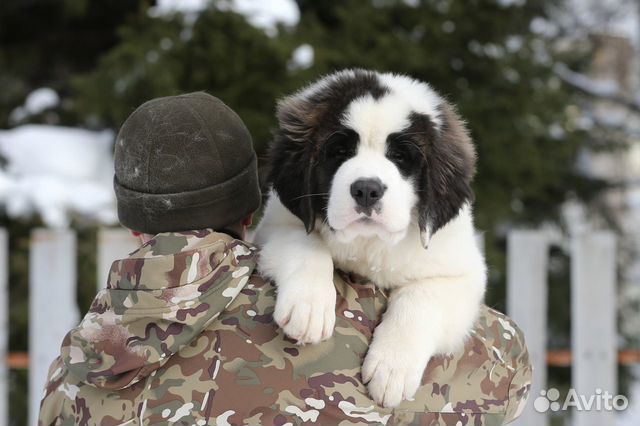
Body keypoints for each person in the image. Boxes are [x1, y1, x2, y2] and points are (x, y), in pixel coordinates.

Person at [39, 92, 532, 426]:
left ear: (132, 225)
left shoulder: (72, 371)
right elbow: (507, 375)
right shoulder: (354, 325)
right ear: (252, 208)